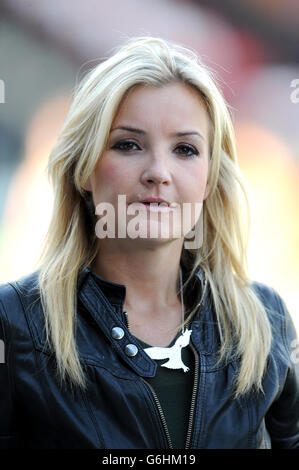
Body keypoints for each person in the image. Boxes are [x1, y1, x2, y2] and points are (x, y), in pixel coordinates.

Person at [0, 36, 298, 450]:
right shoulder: (14, 322)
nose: (159, 171)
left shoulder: (267, 321)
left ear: (209, 179)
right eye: (129, 144)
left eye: (185, 149)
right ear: (84, 169)